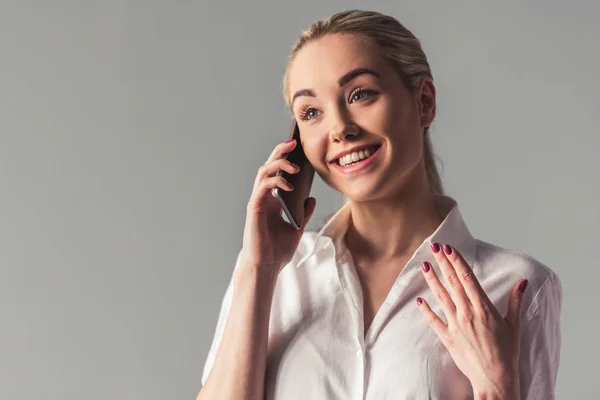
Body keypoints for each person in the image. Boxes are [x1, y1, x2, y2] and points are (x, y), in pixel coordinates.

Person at [196, 9, 562, 400]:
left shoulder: (513, 288)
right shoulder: (274, 276)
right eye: (311, 112)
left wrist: (498, 388)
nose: (339, 128)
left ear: (424, 101)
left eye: (360, 94)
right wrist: (259, 269)